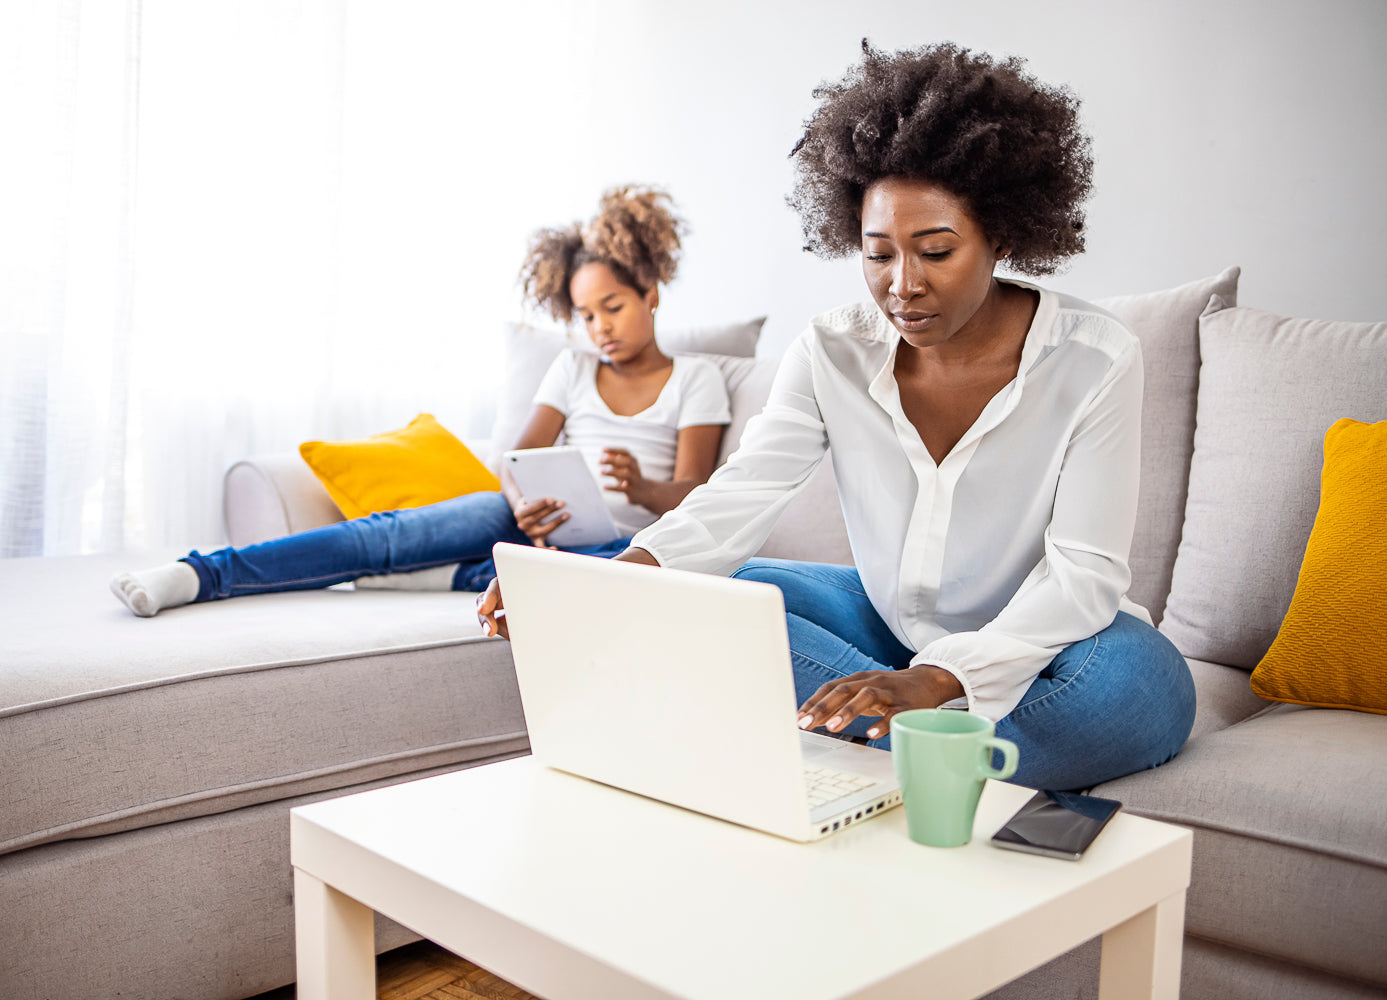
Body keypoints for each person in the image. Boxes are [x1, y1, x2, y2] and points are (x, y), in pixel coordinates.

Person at [479, 43, 1196, 792]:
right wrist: (602, 588)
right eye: (877, 253)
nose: (902, 286)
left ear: (1003, 237)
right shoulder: (831, 349)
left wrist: (941, 678)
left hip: (1054, 642)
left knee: (1142, 689)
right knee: (712, 595)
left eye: (936, 251)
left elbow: (1083, 576)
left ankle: (864, 725)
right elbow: (743, 491)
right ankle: (922, 742)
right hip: (885, 621)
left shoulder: (1094, 359)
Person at [111, 186, 730, 617]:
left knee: (573, 586)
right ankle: (202, 573)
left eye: (613, 308)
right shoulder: (571, 368)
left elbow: (696, 493)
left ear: (650, 292)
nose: (600, 328)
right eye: (587, 314)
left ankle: (456, 575)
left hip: (619, 549)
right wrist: (526, 506)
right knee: (385, 535)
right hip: (523, 523)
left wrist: (644, 488)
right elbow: (516, 459)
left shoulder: (695, 378)